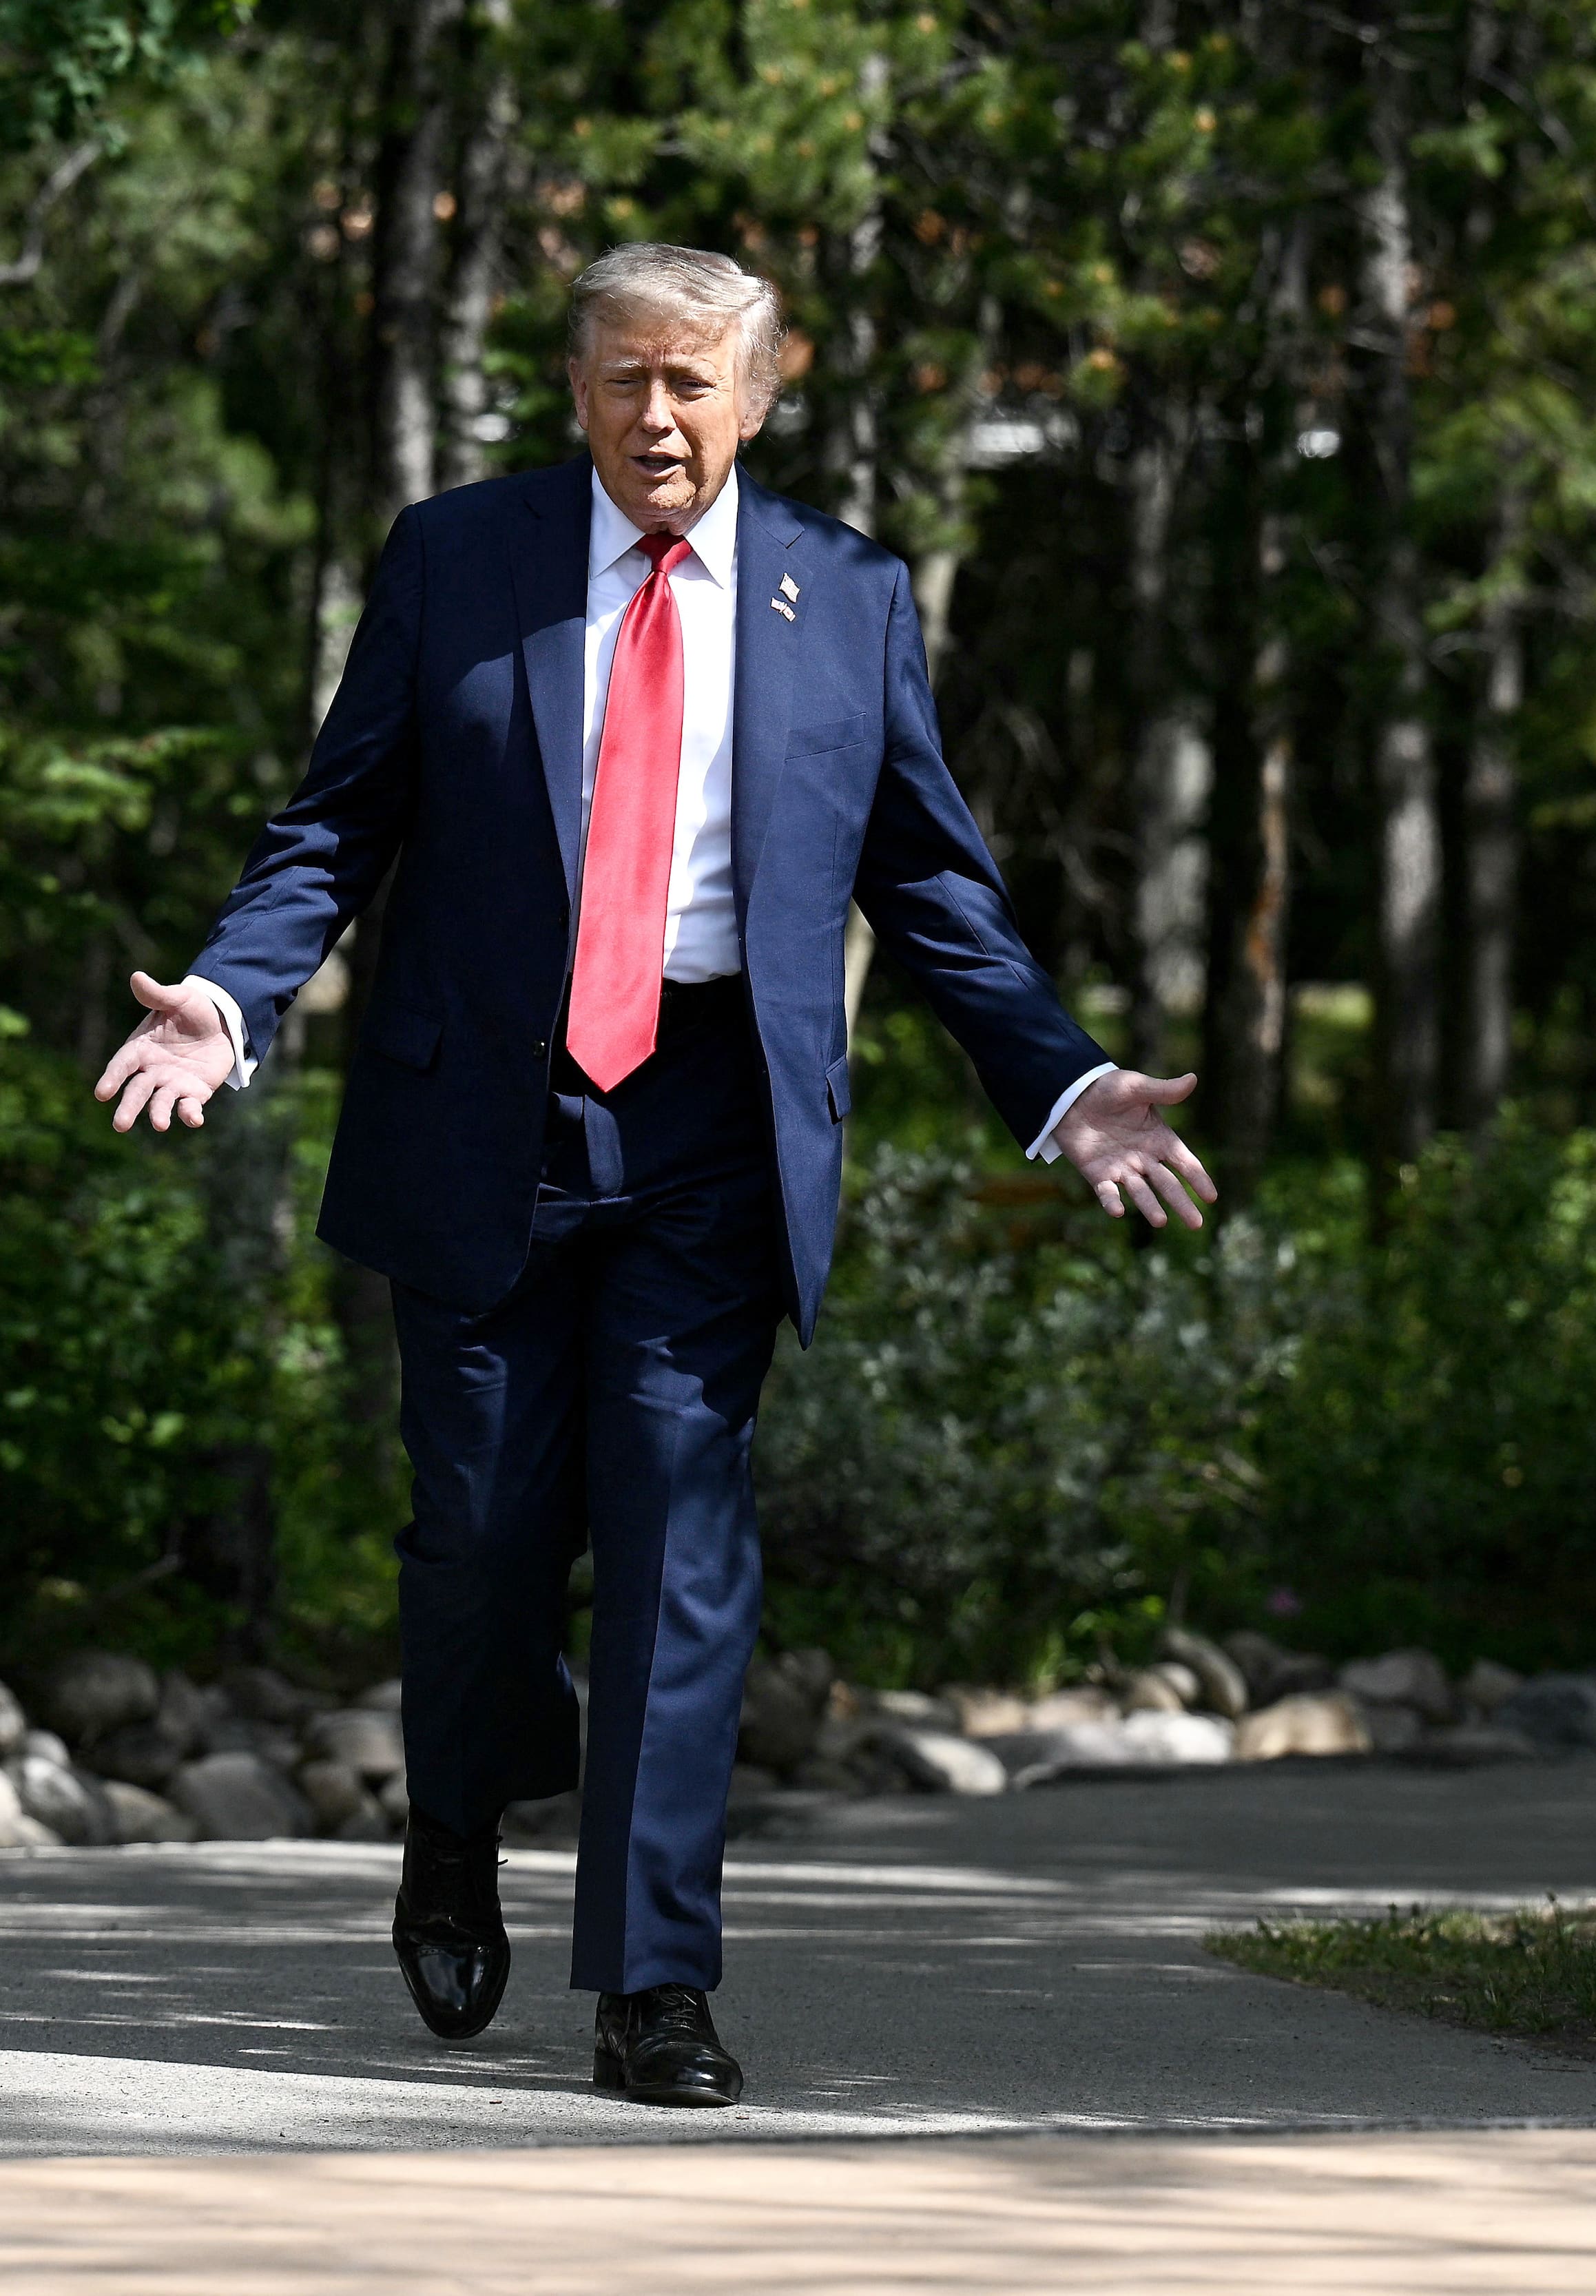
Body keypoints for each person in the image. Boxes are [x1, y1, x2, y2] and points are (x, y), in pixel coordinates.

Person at [88, 243, 1214, 2108]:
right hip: (488, 1126)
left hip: (710, 1125)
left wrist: (1064, 1078)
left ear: (758, 398)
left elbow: (925, 881)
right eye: (625, 378)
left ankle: (654, 1986)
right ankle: (455, 1817)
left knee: (688, 1554)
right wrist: (233, 993)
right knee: (477, 1548)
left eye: (695, 382)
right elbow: (340, 817)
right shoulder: (462, 556)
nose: (659, 415)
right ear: (579, 389)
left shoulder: (845, 593)